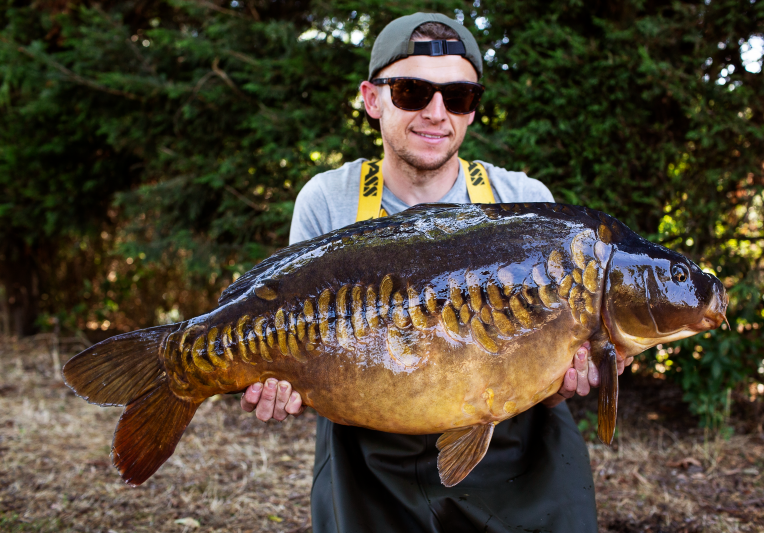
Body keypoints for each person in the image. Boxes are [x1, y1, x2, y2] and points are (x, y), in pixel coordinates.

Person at [241, 13, 630, 532]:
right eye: (412, 91)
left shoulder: (527, 203)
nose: (436, 112)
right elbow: (296, 338)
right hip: (372, 453)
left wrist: (568, 381)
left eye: (459, 96)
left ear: (473, 109)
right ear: (372, 98)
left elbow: (549, 368)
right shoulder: (328, 201)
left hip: (516, 458)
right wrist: (276, 379)